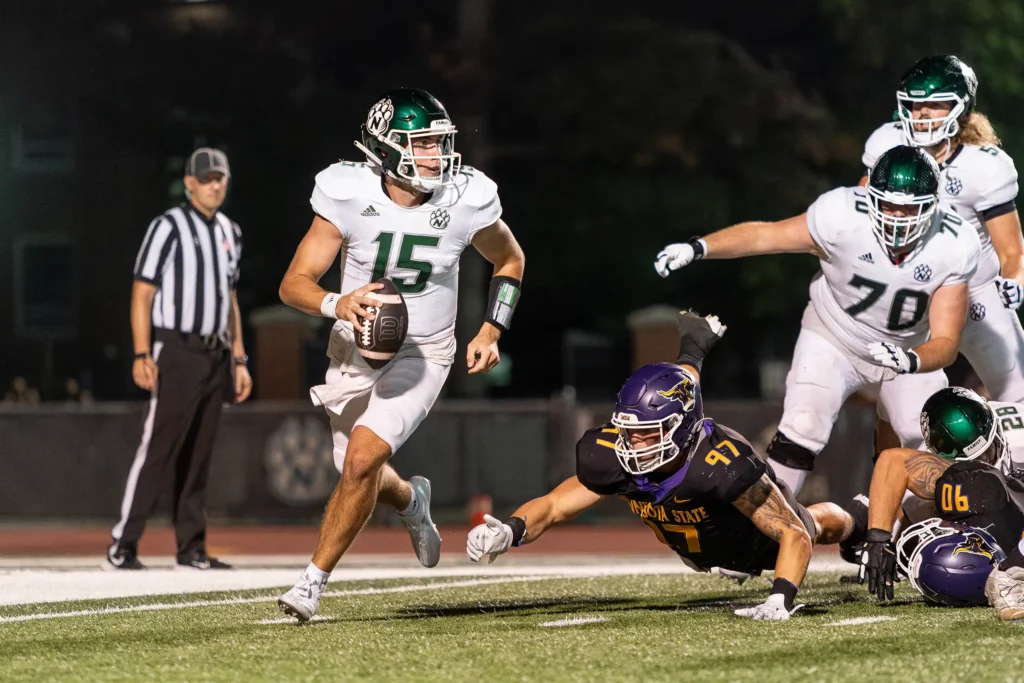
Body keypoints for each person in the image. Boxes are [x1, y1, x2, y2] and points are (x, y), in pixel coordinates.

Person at [277, 88, 525, 622]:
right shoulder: (345, 192)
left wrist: (491, 329)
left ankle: (310, 583)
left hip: (424, 354)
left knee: (363, 459)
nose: (438, 155)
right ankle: (413, 501)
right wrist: (335, 302)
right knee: (355, 469)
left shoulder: (466, 197)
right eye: (424, 144)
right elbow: (293, 284)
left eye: (440, 142)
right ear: (385, 151)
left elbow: (511, 259)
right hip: (355, 347)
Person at [467, 312, 861, 621]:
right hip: (698, 545)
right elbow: (554, 506)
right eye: (628, 431)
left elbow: (794, 534)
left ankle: (856, 520)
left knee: (809, 522)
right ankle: (693, 349)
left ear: (681, 431)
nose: (632, 443)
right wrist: (512, 529)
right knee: (673, 392)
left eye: (647, 434)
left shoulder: (719, 463)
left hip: (749, 540)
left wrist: (780, 599)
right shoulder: (616, 452)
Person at [654, 145, 980, 496]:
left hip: (907, 347)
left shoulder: (954, 243)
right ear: (868, 195)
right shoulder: (839, 215)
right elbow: (767, 235)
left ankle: (901, 531)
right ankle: (770, 526)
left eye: (910, 208)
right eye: (888, 204)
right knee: (803, 425)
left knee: (925, 440)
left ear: (933, 206)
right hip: (834, 334)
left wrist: (911, 359)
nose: (898, 217)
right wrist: (699, 247)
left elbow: (946, 342)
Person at [109, 147, 252, 570]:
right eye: (207, 178)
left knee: (199, 453)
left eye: (220, 177)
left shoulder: (230, 231)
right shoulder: (168, 226)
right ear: (189, 182)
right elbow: (142, 291)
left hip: (215, 353)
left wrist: (239, 358)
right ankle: (124, 544)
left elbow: (230, 298)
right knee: (159, 448)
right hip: (177, 348)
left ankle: (191, 548)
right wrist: (141, 352)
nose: (215, 184)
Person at [862, 55, 1024, 408]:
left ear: (961, 109)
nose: (922, 115)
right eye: (916, 105)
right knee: (899, 415)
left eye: (935, 105)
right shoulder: (886, 145)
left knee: (1019, 397)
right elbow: (860, 215)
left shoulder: (984, 166)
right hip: (913, 296)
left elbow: (1012, 250)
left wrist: (1015, 280)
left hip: (976, 293)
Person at [859, 386, 1024, 619]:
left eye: (987, 454)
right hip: (986, 506)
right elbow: (892, 461)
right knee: (897, 527)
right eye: (973, 461)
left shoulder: (1019, 439)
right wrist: (878, 537)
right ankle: (853, 527)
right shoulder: (944, 467)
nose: (984, 465)